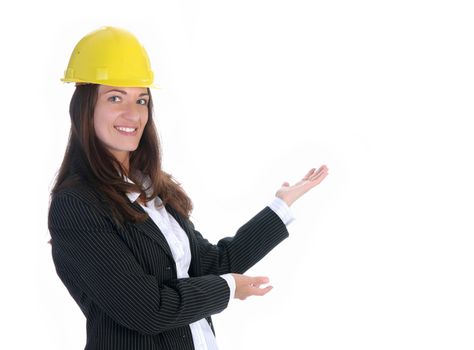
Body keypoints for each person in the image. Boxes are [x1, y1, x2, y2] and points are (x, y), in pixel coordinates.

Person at [48, 26, 329, 350]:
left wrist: (280, 208)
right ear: (85, 108)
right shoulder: (76, 204)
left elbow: (211, 265)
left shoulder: (148, 188)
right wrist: (227, 289)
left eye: (141, 99)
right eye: (115, 97)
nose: (133, 113)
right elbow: (146, 310)